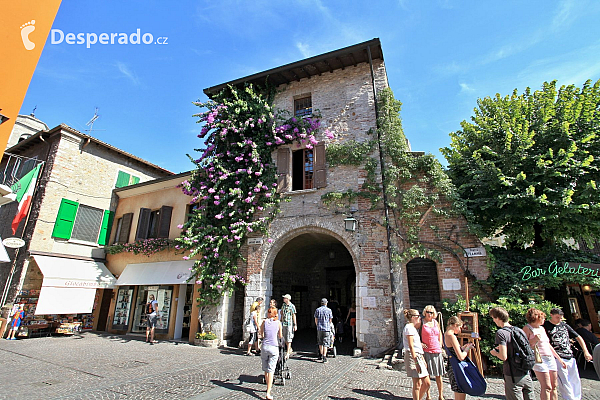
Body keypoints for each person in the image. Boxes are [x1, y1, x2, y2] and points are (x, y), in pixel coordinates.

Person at [544, 307, 591, 400]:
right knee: (564, 381)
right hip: (557, 357)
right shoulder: (545, 326)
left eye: (561, 318)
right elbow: (546, 343)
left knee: (575, 379)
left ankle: (577, 398)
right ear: (551, 315)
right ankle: (569, 398)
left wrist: (586, 351)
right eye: (557, 317)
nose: (559, 320)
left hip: (570, 355)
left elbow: (578, 337)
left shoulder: (564, 325)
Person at [489, 306, 534, 400]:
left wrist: (494, 353)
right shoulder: (519, 330)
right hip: (526, 371)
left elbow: (503, 356)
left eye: (493, 318)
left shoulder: (501, 333)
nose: (493, 321)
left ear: (497, 318)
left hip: (512, 374)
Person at [522, 308, 566, 400]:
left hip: (550, 358)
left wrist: (559, 359)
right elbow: (524, 345)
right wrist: (534, 340)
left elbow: (548, 345)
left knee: (554, 386)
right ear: (537, 318)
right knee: (547, 386)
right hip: (539, 359)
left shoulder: (542, 328)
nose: (544, 319)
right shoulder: (527, 328)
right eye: (542, 317)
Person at [444, 316, 475, 400]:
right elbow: (461, 357)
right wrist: (467, 349)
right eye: (460, 327)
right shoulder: (451, 336)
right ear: (455, 325)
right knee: (460, 394)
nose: (460, 330)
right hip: (456, 368)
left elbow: (453, 350)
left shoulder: (446, 334)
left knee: (458, 393)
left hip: (452, 366)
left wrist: (463, 347)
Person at [403, 308, 431, 400]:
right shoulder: (409, 328)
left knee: (427, 383)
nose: (420, 318)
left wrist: (422, 359)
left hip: (418, 356)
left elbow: (417, 345)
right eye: (418, 316)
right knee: (417, 383)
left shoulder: (413, 328)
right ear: (414, 317)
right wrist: (416, 362)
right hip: (413, 357)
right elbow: (411, 346)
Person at [421, 305, 445, 400]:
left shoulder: (435, 322)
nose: (429, 314)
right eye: (428, 312)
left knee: (439, 375)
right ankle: (428, 395)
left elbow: (440, 333)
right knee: (427, 375)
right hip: (426, 351)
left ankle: (440, 395)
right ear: (425, 312)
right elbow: (416, 335)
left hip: (437, 350)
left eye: (431, 312)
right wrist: (420, 343)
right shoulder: (421, 323)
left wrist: (440, 343)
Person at [260, 306, 283, 400]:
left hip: (265, 346)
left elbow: (261, 334)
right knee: (271, 370)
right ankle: (268, 392)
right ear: (275, 314)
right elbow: (280, 336)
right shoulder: (278, 323)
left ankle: (267, 387)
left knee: (266, 369)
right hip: (274, 347)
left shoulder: (264, 322)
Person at [314, 298, 333, 363]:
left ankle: (321, 354)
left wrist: (317, 325)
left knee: (320, 342)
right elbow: (330, 319)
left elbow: (316, 319)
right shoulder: (329, 310)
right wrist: (328, 325)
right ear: (326, 303)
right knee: (326, 343)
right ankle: (324, 356)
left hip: (319, 328)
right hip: (326, 328)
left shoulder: (317, 310)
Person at [280, 294, 297, 359]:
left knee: (289, 337)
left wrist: (295, 325)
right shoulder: (283, 305)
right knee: (284, 337)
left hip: (289, 324)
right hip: (284, 323)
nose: (283, 299)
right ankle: (289, 348)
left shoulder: (292, 306)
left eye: (284, 298)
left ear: (288, 299)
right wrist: (280, 320)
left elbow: (294, 315)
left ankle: (287, 352)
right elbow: (281, 313)